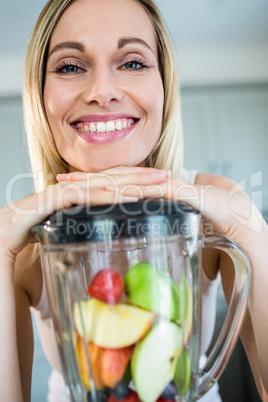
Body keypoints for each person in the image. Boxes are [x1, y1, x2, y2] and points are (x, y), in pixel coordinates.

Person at [0, 0, 267, 401]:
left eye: (133, 63)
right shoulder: (26, 239)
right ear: (40, 96)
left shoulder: (216, 204)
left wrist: (247, 228)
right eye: (70, 66)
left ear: (164, 84)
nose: (102, 92)